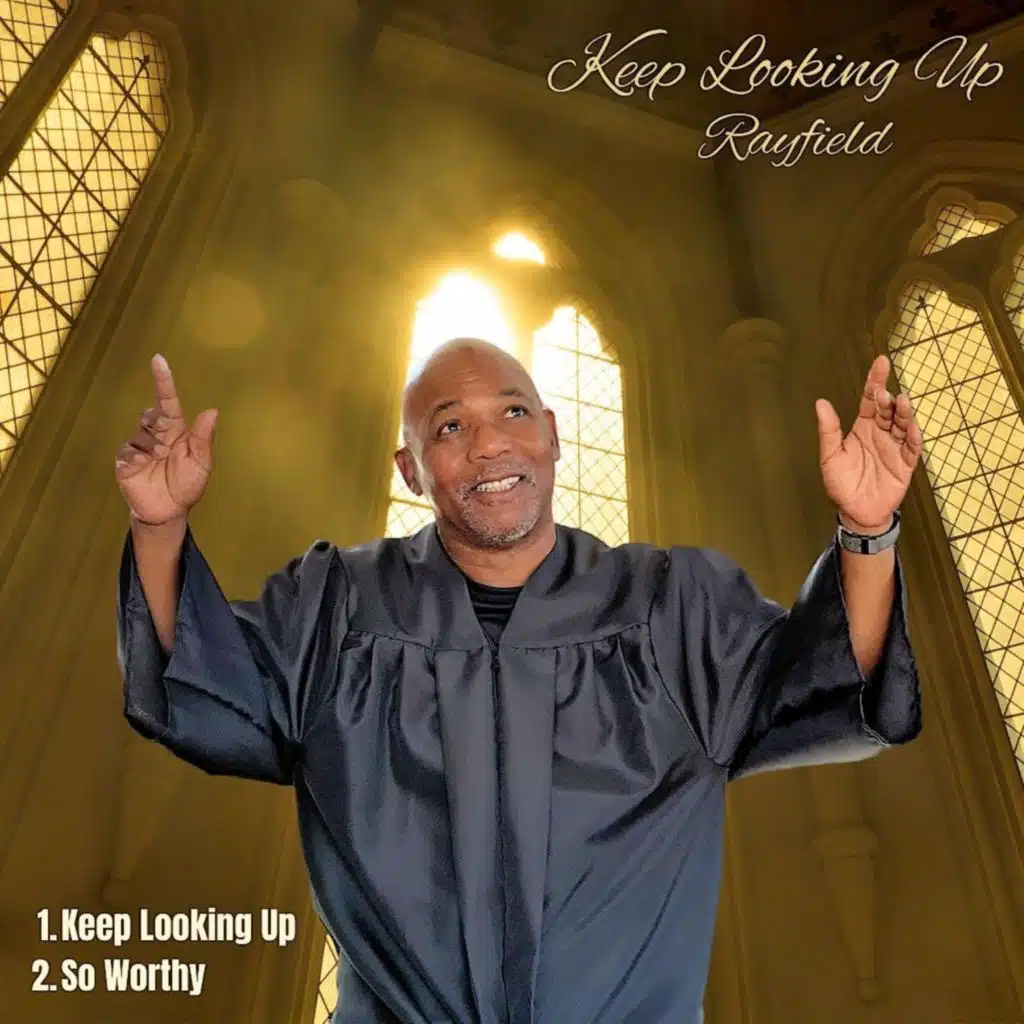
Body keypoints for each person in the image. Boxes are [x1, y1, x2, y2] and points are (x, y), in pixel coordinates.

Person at [115, 339, 923, 1024]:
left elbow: (828, 677)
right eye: (450, 427)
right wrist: (159, 523)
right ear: (410, 469)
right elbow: (202, 679)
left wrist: (867, 530)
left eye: (513, 412)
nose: (490, 444)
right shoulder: (338, 609)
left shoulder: (672, 610)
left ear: (554, 435)